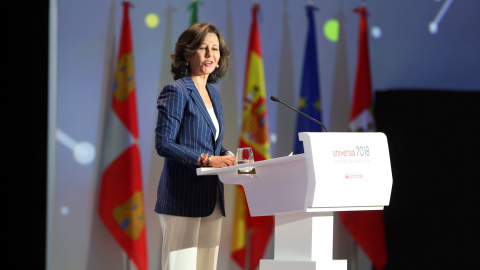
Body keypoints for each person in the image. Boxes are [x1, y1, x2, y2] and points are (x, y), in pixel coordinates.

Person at [154, 22, 236, 270]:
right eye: (203, 48)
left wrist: (227, 155)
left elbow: (208, 141)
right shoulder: (177, 91)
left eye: (215, 49)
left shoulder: (214, 94)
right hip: (182, 196)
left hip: (212, 196)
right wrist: (209, 160)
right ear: (188, 53)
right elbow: (164, 143)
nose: (211, 55)